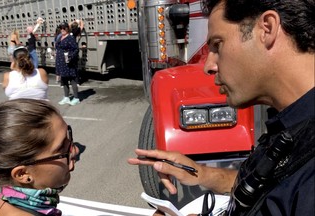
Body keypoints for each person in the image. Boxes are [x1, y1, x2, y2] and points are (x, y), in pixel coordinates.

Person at [128, 0, 314, 216]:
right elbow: (274, 182)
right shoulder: (292, 122)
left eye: (218, 45)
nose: (209, 66)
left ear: (267, 28)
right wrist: (201, 173)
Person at [56, 23, 80, 106]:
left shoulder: (70, 38)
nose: (62, 29)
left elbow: (76, 49)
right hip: (60, 61)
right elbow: (58, 48)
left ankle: (76, 98)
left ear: (67, 29)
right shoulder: (59, 37)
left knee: (72, 79)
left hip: (68, 61)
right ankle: (66, 97)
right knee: (64, 79)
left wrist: (70, 57)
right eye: (61, 28)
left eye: (64, 28)